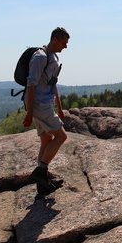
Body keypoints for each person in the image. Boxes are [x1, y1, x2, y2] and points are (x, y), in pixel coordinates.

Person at [23, 27, 70, 194]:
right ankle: (41, 171)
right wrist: (29, 113)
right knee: (61, 136)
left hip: (46, 103)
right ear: (55, 39)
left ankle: (42, 186)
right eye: (64, 42)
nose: (65, 46)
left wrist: (59, 106)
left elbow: (52, 82)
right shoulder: (40, 57)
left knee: (46, 140)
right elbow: (31, 84)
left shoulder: (53, 57)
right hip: (40, 105)